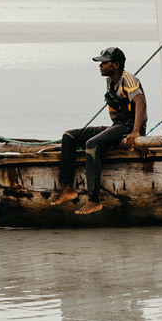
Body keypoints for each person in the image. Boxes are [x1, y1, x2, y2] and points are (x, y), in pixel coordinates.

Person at [56, 47, 145, 215]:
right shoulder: (110, 80)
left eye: (105, 63)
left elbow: (140, 102)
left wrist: (135, 132)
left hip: (128, 127)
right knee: (69, 136)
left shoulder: (129, 79)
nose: (100, 66)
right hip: (116, 126)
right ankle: (68, 188)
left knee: (92, 144)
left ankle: (94, 200)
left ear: (116, 65)